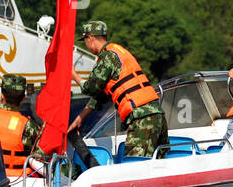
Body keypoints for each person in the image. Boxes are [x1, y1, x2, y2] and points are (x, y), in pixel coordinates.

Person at [68, 21, 168, 158]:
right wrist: (80, 118)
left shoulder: (107, 57)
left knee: (135, 164)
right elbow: (100, 96)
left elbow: (91, 88)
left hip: (142, 118)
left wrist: (74, 75)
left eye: (85, 40)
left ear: (90, 39)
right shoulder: (118, 52)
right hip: (156, 115)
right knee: (158, 166)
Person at [0, 73, 43, 176]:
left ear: (2, 95)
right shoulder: (28, 126)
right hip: (18, 181)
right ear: (23, 98)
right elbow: (40, 157)